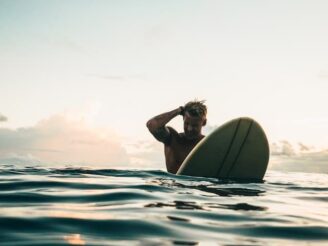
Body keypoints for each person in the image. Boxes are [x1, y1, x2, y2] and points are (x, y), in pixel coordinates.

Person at [146, 100, 207, 174]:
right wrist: (179, 110)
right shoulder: (172, 139)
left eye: (195, 125)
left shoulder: (207, 143)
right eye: (186, 123)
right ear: (183, 118)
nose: (189, 129)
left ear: (204, 123)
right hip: (174, 184)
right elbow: (152, 125)